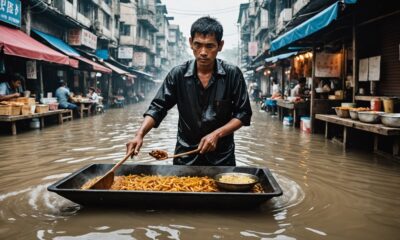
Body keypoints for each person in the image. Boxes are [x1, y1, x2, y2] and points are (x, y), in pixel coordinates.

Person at [126, 16, 252, 166]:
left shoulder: (232, 74)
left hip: (221, 158)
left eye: (210, 46)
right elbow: (158, 107)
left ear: (220, 45)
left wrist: (217, 134)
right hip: (185, 156)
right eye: (198, 45)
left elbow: (243, 114)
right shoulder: (178, 74)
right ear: (191, 43)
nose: (203, 52)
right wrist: (139, 134)